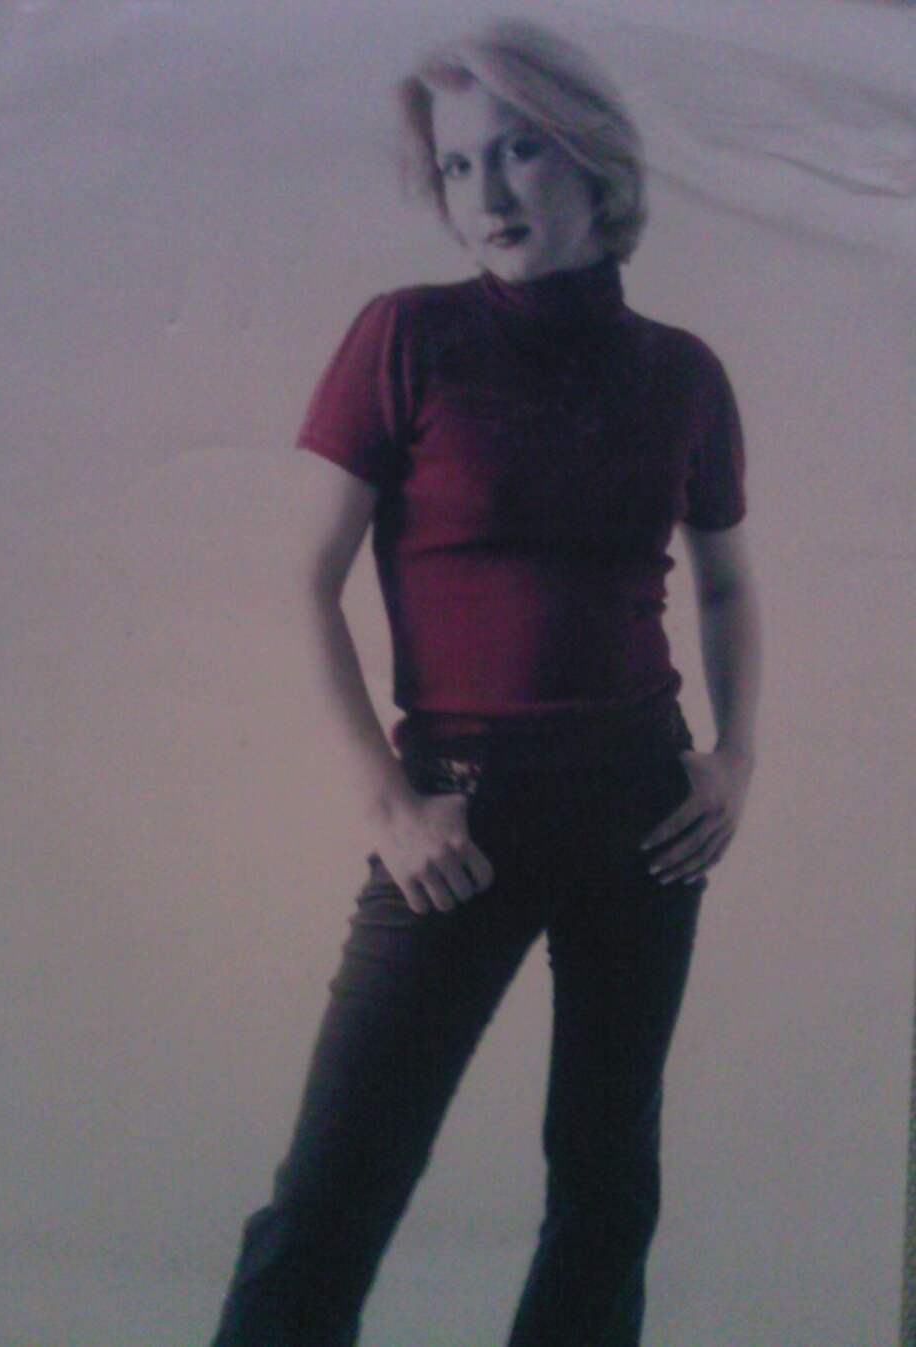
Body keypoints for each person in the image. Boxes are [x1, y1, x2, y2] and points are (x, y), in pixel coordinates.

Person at [208, 17, 761, 1347]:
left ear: (592, 161)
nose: (488, 191)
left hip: (645, 810)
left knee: (606, 1188)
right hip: (461, 815)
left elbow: (727, 586)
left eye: (519, 150)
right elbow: (303, 584)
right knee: (333, 1195)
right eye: (459, 165)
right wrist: (389, 806)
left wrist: (732, 761)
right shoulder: (407, 336)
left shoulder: (684, 373)